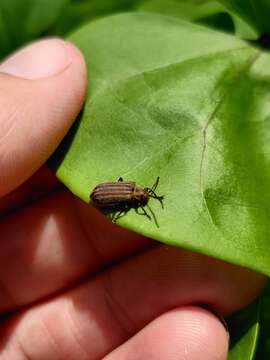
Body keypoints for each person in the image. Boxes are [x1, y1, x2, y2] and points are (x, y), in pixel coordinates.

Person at [0, 39, 266, 360]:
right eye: (144, 195)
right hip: (102, 194)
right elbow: (109, 197)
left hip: (101, 193)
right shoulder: (128, 195)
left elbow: (113, 195)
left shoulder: (131, 192)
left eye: (144, 195)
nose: (144, 196)